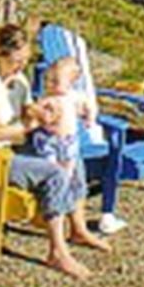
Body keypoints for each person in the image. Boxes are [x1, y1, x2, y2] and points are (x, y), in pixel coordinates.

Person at [0, 24, 109, 280]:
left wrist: (45, 114)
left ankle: (78, 228)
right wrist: (30, 125)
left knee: (72, 158)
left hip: (4, 155)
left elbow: (29, 111)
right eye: (14, 61)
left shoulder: (18, 82)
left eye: (24, 61)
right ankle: (57, 252)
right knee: (54, 173)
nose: (20, 67)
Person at [28, 56, 99, 190]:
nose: (49, 84)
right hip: (49, 139)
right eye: (47, 80)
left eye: (55, 81)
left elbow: (89, 106)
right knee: (50, 165)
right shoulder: (48, 98)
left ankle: (64, 183)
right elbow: (34, 109)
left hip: (69, 140)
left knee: (69, 163)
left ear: (70, 83)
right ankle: (50, 183)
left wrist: (90, 118)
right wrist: (36, 111)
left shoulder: (74, 96)